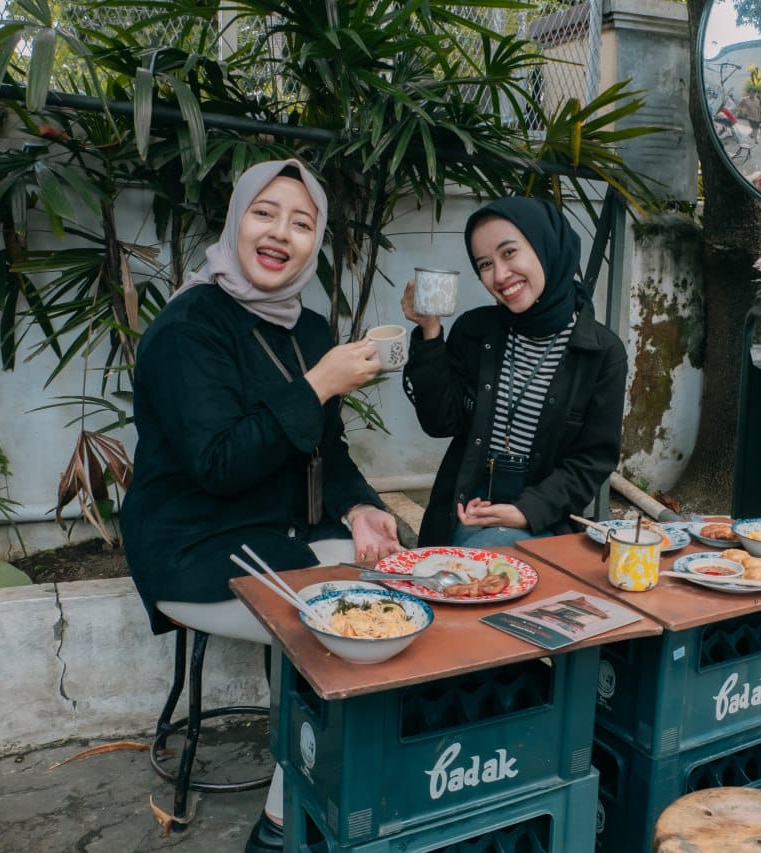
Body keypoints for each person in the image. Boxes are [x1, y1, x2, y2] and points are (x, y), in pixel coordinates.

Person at [121, 158, 400, 853]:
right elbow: (218, 465)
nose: (280, 233)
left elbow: (327, 450)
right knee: (341, 622)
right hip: (194, 543)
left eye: (302, 222)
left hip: (278, 529)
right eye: (264, 213)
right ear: (235, 221)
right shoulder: (187, 328)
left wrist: (361, 508)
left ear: (316, 241)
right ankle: (282, 825)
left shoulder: (309, 330)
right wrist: (317, 385)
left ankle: (365, 782)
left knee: (393, 579)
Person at [398, 197, 627, 549]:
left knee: (497, 557)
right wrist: (430, 333)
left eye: (509, 253)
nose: (500, 275)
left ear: (546, 246)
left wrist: (525, 511)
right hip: (467, 507)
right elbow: (440, 422)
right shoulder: (474, 331)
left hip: (543, 517)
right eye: (485, 264)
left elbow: (592, 460)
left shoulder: (601, 353)